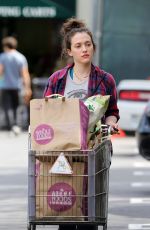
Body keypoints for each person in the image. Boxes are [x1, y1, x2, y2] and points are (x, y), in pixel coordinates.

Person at [44, 18, 120, 230]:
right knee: (67, 209)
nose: (84, 49)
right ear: (69, 51)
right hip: (64, 149)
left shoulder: (105, 80)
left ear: (93, 47)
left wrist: (111, 124)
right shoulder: (57, 79)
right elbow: (46, 113)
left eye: (88, 44)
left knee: (90, 211)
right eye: (78, 46)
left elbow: (112, 112)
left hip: (95, 148)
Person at [0, 36, 32, 134]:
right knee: (17, 106)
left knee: (6, 106)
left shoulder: (2, 57)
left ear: (5, 46)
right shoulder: (21, 57)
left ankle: (10, 125)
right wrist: (27, 87)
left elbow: (0, 71)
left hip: (4, 86)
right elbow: (25, 74)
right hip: (17, 86)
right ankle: (17, 125)